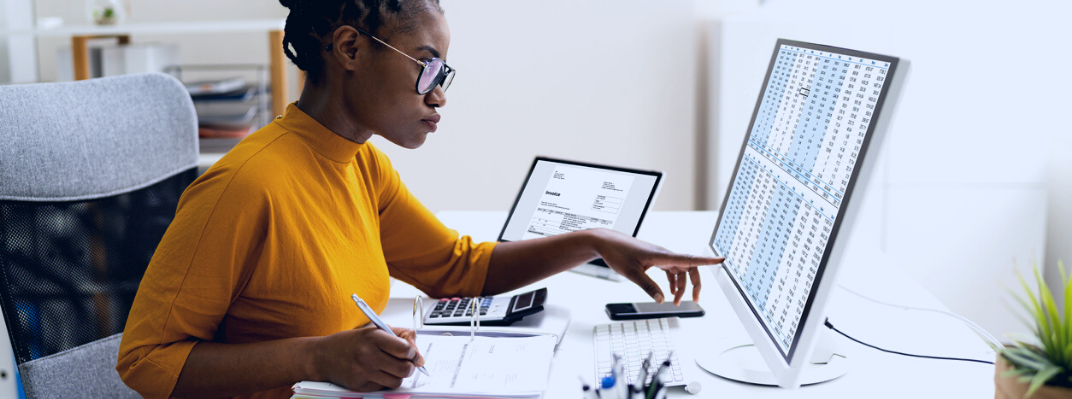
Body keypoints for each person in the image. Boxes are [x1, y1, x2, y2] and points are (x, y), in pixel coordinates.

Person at [116, 1, 724, 398]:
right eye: (428, 69)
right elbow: (145, 361)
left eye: (445, 76)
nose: (439, 97)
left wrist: (596, 242)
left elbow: (460, 270)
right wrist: (317, 359)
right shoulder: (244, 187)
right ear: (351, 50)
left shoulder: (363, 167)